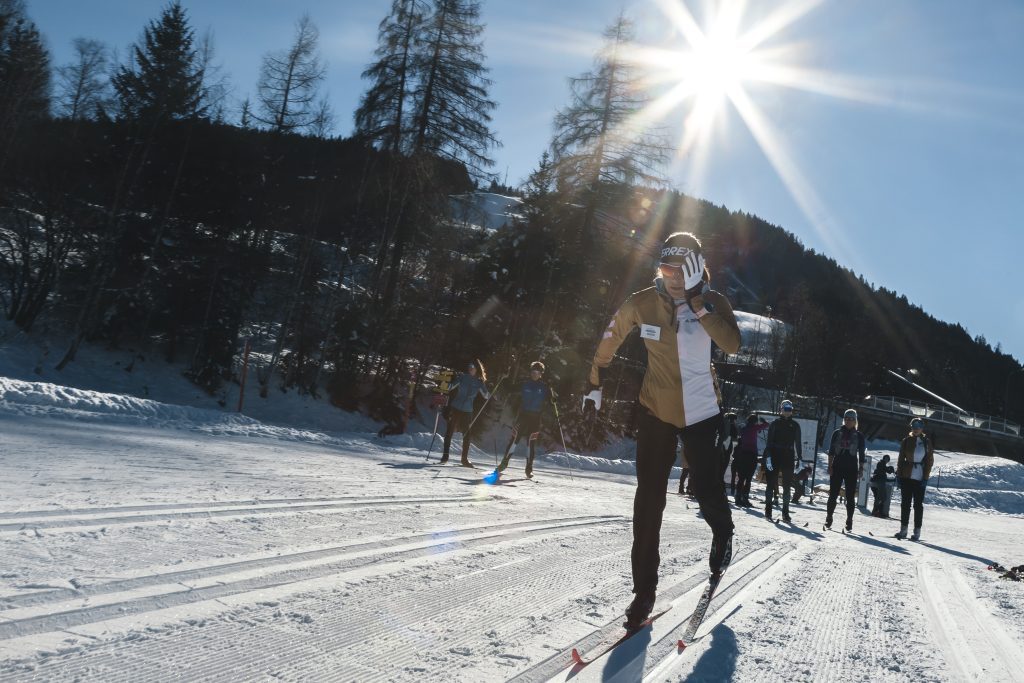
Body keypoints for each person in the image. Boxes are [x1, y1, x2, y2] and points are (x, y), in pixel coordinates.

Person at [584, 231, 741, 631]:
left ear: (695, 267)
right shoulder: (643, 302)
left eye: (680, 269)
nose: (671, 277)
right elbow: (611, 334)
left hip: (703, 414)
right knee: (648, 502)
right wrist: (594, 380)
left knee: (706, 491)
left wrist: (698, 306)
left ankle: (723, 534)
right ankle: (644, 592)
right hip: (656, 411)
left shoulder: (713, 301)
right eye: (665, 267)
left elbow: (733, 344)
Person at [498, 361, 550, 478]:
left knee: (530, 443)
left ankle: (529, 468)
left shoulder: (545, 387)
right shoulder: (524, 384)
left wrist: (553, 398)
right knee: (514, 440)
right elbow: (509, 389)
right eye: (533, 372)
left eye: (537, 372)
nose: (534, 374)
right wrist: (505, 378)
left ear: (541, 374)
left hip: (536, 418)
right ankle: (504, 463)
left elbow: (552, 400)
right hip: (523, 416)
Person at [441, 360, 491, 467]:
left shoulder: (479, 382)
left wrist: (488, 391)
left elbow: (486, 396)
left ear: (477, 369)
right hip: (456, 407)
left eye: (472, 367)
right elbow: (450, 387)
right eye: (469, 366)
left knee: (467, 435)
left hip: (468, 410)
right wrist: (444, 383)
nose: (470, 368)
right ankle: (445, 456)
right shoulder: (462, 377)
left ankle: (464, 460)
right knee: (449, 431)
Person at [825, 408, 866, 531]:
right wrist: (830, 466)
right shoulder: (837, 433)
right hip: (837, 466)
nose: (848, 421)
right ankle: (829, 517)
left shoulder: (859, 435)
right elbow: (831, 452)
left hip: (851, 468)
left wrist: (861, 469)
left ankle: (849, 520)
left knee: (850, 496)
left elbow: (862, 454)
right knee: (833, 494)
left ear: (855, 421)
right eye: (846, 419)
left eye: (851, 419)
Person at [764, 400, 803, 523]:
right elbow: (769, 442)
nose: (787, 411)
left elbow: (798, 443)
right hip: (775, 454)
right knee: (770, 484)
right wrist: (768, 457)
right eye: (785, 408)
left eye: (790, 409)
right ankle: (768, 510)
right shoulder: (775, 424)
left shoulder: (795, 425)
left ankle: (785, 513)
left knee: (787, 486)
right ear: (781, 409)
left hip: (788, 456)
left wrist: (800, 459)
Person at [895, 418, 934, 540]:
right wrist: (899, 475)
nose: (916, 428)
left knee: (918, 505)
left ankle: (917, 531)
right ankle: (903, 530)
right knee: (905, 504)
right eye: (914, 426)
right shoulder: (906, 441)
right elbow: (901, 459)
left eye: (918, 426)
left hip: (919, 477)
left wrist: (926, 477)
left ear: (922, 428)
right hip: (907, 475)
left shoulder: (926, 442)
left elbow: (929, 461)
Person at [733, 414, 767, 507]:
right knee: (748, 479)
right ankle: (745, 498)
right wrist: (763, 421)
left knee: (741, 478)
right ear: (755, 421)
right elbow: (766, 425)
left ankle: (737, 498)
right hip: (751, 455)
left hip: (742, 455)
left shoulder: (744, 429)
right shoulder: (754, 428)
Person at [720, 412, 739, 486]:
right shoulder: (732, 426)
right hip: (727, 445)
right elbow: (735, 436)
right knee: (724, 464)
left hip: (722, 445)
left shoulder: (723, 424)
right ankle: (721, 479)